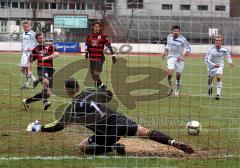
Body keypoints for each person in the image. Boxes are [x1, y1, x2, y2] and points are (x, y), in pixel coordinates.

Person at [26, 78, 194, 155]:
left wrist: (39, 127)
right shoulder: (91, 91)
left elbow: (58, 126)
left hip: (106, 134)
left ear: (68, 91)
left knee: (83, 147)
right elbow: (109, 95)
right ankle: (173, 142)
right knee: (146, 132)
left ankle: (113, 147)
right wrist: (101, 87)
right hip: (120, 120)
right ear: (78, 87)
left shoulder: (71, 108)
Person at [22, 32, 59, 111]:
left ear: (44, 38)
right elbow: (30, 61)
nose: (42, 39)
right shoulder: (36, 49)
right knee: (46, 82)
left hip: (50, 69)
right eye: (40, 38)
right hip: (42, 68)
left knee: (48, 93)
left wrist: (47, 57)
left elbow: (57, 54)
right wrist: (29, 71)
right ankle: (44, 102)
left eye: (43, 38)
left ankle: (27, 101)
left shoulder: (50, 47)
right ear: (37, 40)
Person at [85, 22, 116, 90]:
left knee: (96, 74)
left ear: (100, 28)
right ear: (93, 27)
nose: (97, 28)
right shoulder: (89, 36)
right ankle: (100, 85)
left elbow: (108, 45)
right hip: (92, 57)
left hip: (99, 57)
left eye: (98, 26)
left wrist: (113, 55)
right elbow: (87, 44)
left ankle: (102, 86)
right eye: (95, 26)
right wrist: (86, 52)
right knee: (93, 74)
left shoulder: (103, 36)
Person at [162, 25, 191, 97]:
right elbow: (167, 46)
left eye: (177, 31)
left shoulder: (183, 39)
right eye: (174, 31)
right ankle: (170, 87)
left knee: (178, 76)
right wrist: (165, 52)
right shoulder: (169, 37)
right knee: (169, 74)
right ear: (172, 31)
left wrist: (182, 56)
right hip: (171, 57)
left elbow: (189, 49)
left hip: (179, 59)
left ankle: (177, 90)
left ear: (179, 32)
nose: (176, 32)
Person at [205, 35, 233, 100]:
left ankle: (218, 95)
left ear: (221, 41)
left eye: (219, 40)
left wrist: (230, 62)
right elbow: (206, 60)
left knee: (218, 77)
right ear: (215, 41)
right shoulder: (210, 50)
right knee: (209, 80)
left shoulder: (224, 49)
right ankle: (210, 88)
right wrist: (214, 65)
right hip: (211, 66)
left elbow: (228, 56)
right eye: (217, 40)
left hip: (220, 65)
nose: (218, 42)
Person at [20, 21, 38, 89]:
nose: (25, 28)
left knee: (27, 69)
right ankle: (34, 80)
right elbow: (23, 41)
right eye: (24, 27)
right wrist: (22, 47)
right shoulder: (23, 33)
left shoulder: (33, 33)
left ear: (29, 26)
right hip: (24, 53)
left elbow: (38, 42)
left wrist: (33, 48)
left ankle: (26, 85)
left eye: (27, 26)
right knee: (22, 70)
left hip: (29, 53)